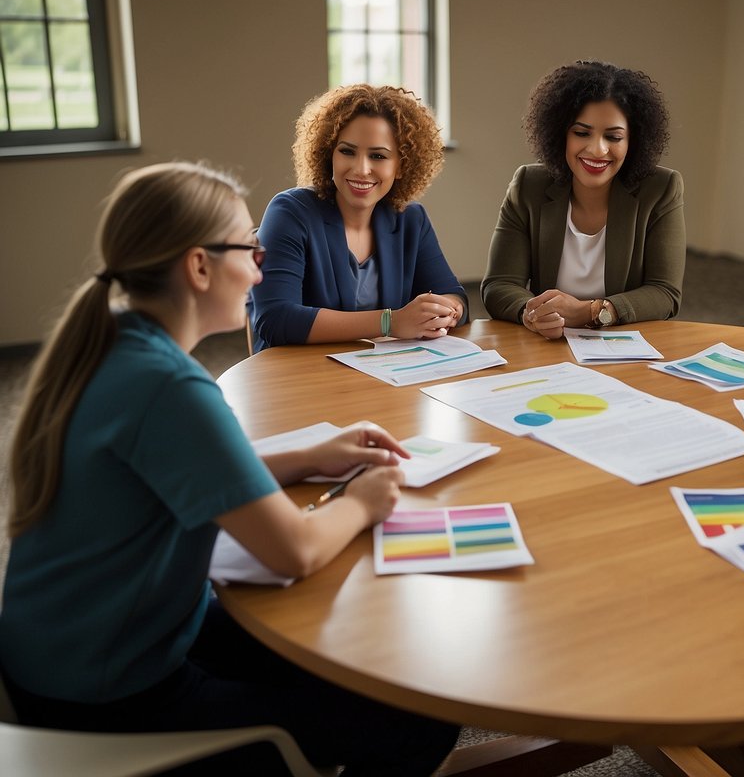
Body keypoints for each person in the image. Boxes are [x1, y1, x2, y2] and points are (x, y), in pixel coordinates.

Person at [0, 163, 459, 776]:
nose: (261, 264)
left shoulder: (116, 340)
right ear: (198, 266)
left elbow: (177, 470)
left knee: (353, 652)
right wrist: (365, 500)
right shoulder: (171, 389)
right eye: (248, 246)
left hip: (80, 646)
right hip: (110, 691)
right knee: (417, 715)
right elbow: (293, 550)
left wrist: (311, 455)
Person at [250, 84, 467, 352]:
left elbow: (453, 294)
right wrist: (390, 322)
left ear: (402, 165)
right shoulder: (290, 212)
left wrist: (447, 310)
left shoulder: (411, 219)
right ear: (329, 153)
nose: (361, 169)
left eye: (378, 156)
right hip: (299, 377)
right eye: (347, 151)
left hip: (381, 375)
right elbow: (276, 320)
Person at [481, 59, 685, 337]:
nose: (597, 150)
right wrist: (532, 313)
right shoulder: (529, 185)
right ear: (560, 134)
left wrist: (595, 311)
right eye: (581, 133)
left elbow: (665, 292)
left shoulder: (661, 189)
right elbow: (499, 284)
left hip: (624, 344)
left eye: (613, 137)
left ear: (632, 142)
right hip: (548, 343)